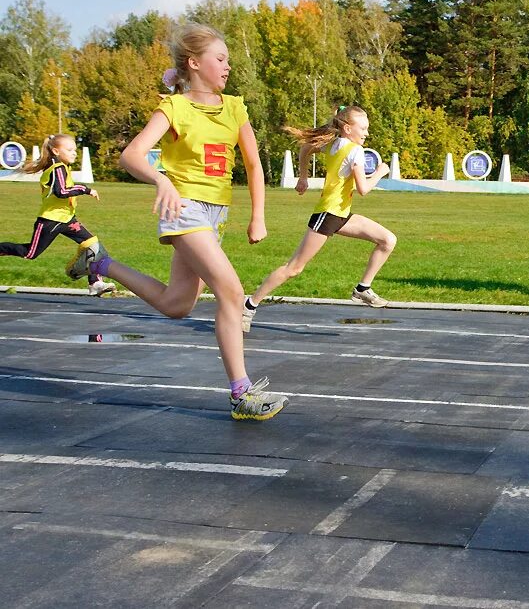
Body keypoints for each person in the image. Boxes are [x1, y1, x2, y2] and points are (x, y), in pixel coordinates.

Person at [65, 22, 287, 420]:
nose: (227, 66)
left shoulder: (235, 106)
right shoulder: (173, 107)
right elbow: (131, 155)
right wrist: (160, 179)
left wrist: (258, 217)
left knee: (176, 305)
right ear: (194, 63)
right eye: (220, 59)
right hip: (184, 208)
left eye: (228, 60)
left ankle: (100, 263)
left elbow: (254, 165)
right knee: (231, 292)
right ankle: (242, 393)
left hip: (215, 214)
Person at [241, 105, 396, 333]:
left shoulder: (333, 144)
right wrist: (380, 172)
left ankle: (362, 288)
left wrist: (303, 178)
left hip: (341, 214)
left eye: (367, 129)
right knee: (293, 268)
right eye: (362, 128)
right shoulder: (354, 151)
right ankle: (249, 306)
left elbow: (305, 148)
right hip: (328, 215)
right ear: (347, 128)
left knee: (387, 240)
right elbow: (363, 188)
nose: (366, 133)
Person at [0, 133, 116, 296]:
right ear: (55, 151)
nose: (74, 153)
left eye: (75, 149)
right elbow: (61, 191)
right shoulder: (57, 168)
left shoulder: (63, 167)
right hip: (50, 221)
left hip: (67, 219)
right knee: (30, 253)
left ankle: (95, 283)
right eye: (69, 149)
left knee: (92, 244)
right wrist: (85, 189)